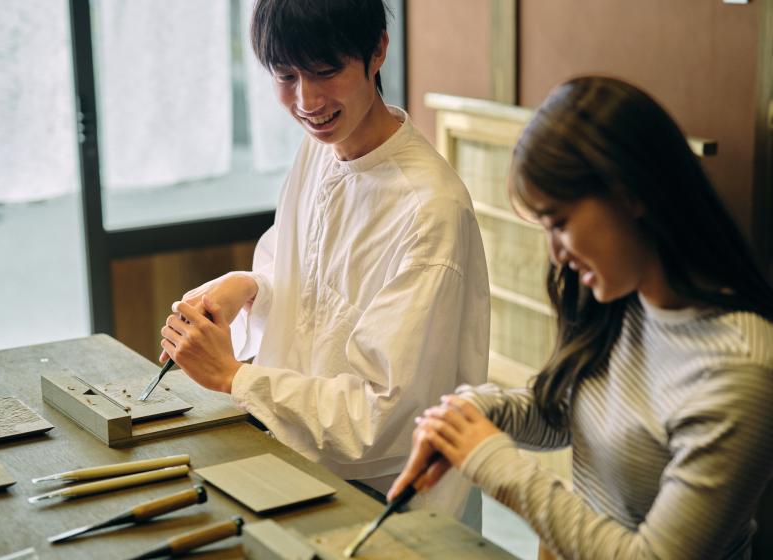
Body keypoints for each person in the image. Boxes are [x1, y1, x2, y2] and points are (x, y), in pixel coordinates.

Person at [389, 76, 773, 558]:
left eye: (560, 223)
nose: (556, 254)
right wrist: (475, 413)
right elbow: (559, 410)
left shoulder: (739, 370)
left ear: (630, 194)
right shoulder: (620, 300)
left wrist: (495, 462)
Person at [158, 0, 489, 516]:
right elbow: (311, 288)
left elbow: (385, 418)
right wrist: (249, 287)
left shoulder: (429, 211)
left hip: (389, 501)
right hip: (298, 459)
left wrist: (234, 377)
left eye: (325, 71)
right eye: (286, 76)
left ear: (377, 51)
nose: (307, 101)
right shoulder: (321, 147)